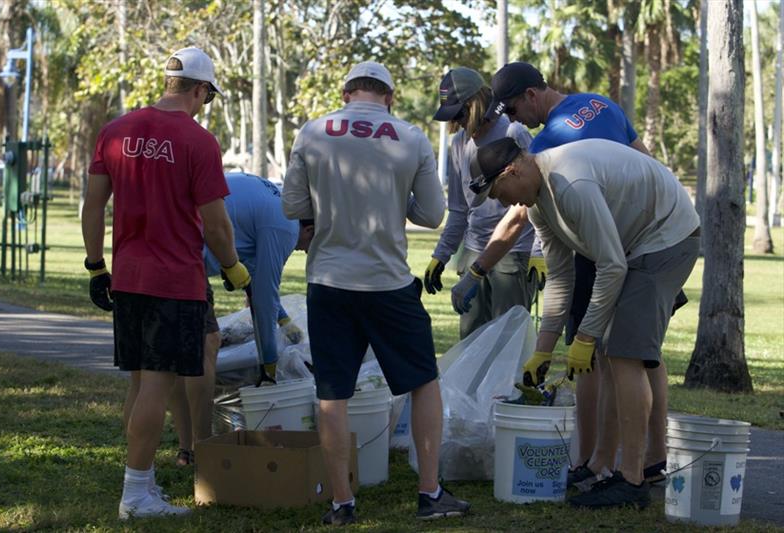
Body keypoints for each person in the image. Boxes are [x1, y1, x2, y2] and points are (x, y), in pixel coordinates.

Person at [282, 61, 471, 525]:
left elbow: (292, 205)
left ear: (347, 93)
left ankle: (341, 503)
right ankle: (429, 493)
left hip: (327, 280)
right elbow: (431, 215)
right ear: (389, 96)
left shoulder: (312, 132)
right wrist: (393, 195)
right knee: (423, 382)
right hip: (387, 282)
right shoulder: (409, 137)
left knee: (333, 392)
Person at [469, 137, 699, 508]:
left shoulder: (569, 183)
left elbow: (611, 265)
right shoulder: (539, 203)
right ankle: (602, 466)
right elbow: (561, 277)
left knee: (625, 355)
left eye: (499, 191)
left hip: (667, 237)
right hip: (634, 245)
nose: (502, 202)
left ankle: (633, 482)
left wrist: (586, 336)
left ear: (512, 170)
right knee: (610, 355)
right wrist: (543, 352)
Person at [483, 61, 671, 487]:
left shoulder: (547, 145)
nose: (513, 120)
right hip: (649, 233)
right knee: (646, 352)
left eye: (512, 109)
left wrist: (483, 263)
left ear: (531, 95)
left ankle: (591, 459)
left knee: (596, 355)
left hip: (602, 247)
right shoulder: (599, 103)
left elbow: (526, 210)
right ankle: (653, 459)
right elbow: (648, 162)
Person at [81, 46, 251, 520]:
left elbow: (93, 205)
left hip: (128, 276)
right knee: (158, 384)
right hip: (174, 279)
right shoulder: (198, 141)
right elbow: (216, 225)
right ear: (201, 90)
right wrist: (234, 267)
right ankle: (135, 495)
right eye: (207, 97)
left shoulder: (116, 131)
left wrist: (97, 266)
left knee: (139, 382)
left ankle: (142, 480)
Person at [170, 172, 314, 465]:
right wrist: (269, 367)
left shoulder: (275, 198)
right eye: (312, 244)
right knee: (201, 350)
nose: (305, 250)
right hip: (186, 258)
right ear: (309, 227)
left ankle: (188, 448)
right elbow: (262, 299)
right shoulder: (285, 227)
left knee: (176, 356)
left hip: (169, 245)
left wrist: (285, 322)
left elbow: (254, 278)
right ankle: (200, 447)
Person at [423, 67, 535, 337]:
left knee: (507, 339)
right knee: (471, 337)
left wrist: (539, 252)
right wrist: (441, 255)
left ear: (475, 104)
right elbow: (460, 209)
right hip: (473, 249)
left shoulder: (514, 132)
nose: (459, 123)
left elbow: (536, 196)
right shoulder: (459, 143)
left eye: (460, 114)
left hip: (513, 253)